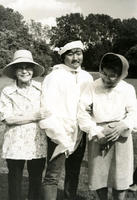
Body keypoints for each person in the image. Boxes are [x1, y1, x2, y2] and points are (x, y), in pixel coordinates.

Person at [78, 53, 137, 200]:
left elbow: (134, 112)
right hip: (99, 136)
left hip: (121, 136)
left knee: (120, 175)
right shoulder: (92, 86)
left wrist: (122, 126)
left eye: (112, 76)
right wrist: (97, 132)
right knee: (99, 174)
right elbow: (82, 112)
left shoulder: (127, 89)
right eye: (103, 73)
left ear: (122, 75)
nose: (106, 78)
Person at [39, 39, 93, 200]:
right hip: (58, 131)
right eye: (70, 54)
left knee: (73, 172)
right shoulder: (54, 77)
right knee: (53, 175)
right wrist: (56, 131)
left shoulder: (87, 77)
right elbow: (46, 105)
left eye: (79, 53)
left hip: (79, 132)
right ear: (63, 56)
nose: (75, 58)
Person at [0, 50, 51, 200]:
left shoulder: (41, 89)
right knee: (14, 180)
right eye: (19, 67)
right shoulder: (7, 91)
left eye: (27, 67)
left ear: (33, 70)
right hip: (14, 142)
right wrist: (34, 116)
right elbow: (7, 119)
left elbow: (48, 111)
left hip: (37, 142)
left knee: (36, 180)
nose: (24, 71)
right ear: (14, 71)